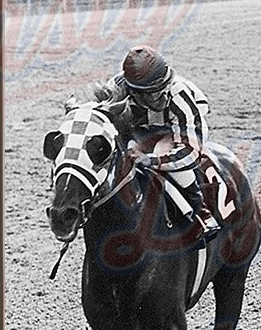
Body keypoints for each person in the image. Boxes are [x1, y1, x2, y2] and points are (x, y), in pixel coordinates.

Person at [90, 45, 218, 242]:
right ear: (132, 90)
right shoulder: (117, 90)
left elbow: (190, 152)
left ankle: (200, 212)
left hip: (175, 126)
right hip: (140, 126)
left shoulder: (179, 96)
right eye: (149, 92)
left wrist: (151, 160)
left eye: (161, 89)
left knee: (165, 154)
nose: (158, 96)